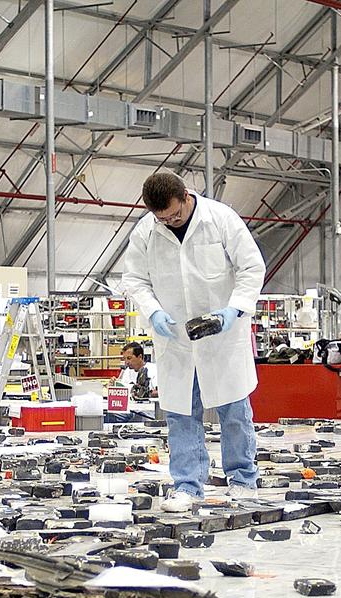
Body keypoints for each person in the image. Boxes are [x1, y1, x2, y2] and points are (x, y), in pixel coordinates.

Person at [120, 172, 265, 512]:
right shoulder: (145, 231)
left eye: (174, 215)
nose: (169, 222)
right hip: (177, 341)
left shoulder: (220, 219)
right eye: (162, 218)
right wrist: (154, 312)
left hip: (223, 337)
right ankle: (188, 486)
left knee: (234, 412)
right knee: (182, 414)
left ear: (186, 196)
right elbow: (135, 280)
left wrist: (234, 310)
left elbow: (251, 268)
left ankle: (243, 481)